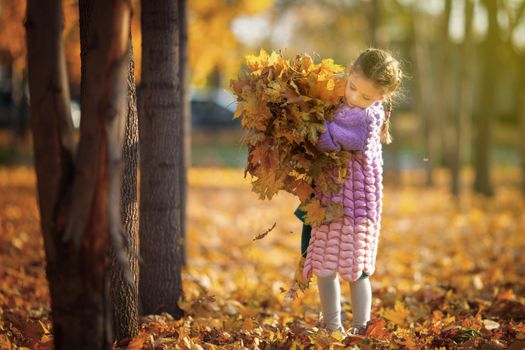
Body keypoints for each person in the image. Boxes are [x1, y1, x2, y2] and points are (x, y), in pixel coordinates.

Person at [294, 48, 403, 336]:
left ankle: (360, 326)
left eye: (365, 97)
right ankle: (333, 326)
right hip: (332, 200)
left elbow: (329, 139)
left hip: (354, 208)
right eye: (352, 87)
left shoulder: (365, 119)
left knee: (356, 270)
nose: (355, 97)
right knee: (325, 266)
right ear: (350, 71)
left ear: (381, 98)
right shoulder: (344, 103)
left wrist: (304, 125)